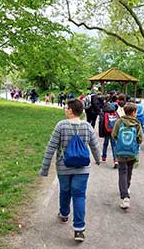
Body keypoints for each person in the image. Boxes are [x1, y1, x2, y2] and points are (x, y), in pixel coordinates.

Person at [39, 98, 101, 242]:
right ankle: (79, 230)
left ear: (71, 110)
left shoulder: (61, 126)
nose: (65, 109)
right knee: (79, 196)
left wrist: (45, 168)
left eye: (66, 108)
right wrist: (97, 159)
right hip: (83, 168)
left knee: (65, 191)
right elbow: (95, 145)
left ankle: (64, 214)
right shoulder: (87, 126)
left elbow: (51, 147)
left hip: (63, 166)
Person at [111, 103, 144, 209]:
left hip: (120, 152)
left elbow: (114, 135)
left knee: (122, 172)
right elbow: (140, 139)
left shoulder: (119, 121)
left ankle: (125, 197)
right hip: (132, 152)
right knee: (129, 171)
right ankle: (127, 188)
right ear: (133, 112)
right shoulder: (137, 123)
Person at [98, 102, 119, 168]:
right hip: (113, 131)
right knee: (114, 145)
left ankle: (104, 157)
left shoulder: (103, 112)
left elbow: (101, 123)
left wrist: (101, 133)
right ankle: (115, 160)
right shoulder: (115, 112)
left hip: (106, 131)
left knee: (105, 144)